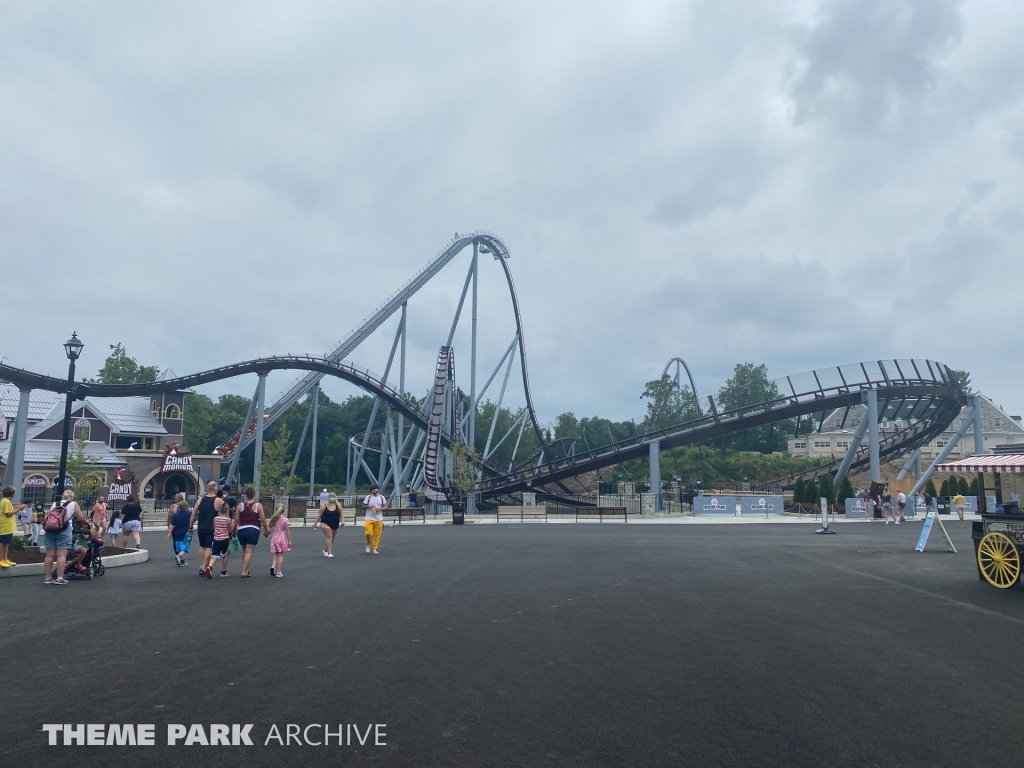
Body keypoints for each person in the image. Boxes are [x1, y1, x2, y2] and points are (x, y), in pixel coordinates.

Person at [42, 490, 89, 584]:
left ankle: (47, 578)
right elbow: (80, 517)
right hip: (64, 529)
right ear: (72, 497)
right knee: (61, 554)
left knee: (49, 555)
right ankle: (59, 578)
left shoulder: (55, 503)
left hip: (50, 529)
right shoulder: (73, 504)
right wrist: (87, 522)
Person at [190, 481, 223, 579]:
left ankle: (202, 566)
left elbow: (194, 513)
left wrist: (190, 525)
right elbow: (224, 514)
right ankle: (204, 567)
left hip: (201, 526)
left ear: (208, 488)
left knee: (202, 546)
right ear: (215, 488)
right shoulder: (218, 501)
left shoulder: (200, 500)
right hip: (211, 527)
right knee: (209, 547)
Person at [236, 486, 268, 578]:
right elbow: (263, 519)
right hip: (253, 529)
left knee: (244, 549)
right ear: (254, 494)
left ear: (245, 495)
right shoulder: (258, 506)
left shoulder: (240, 506)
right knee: (249, 551)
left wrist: (234, 530)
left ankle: (246, 569)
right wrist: (266, 529)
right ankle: (244, 571)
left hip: (241, 529)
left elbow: (236, 520)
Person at [1, 486, 30, 568]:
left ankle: (5, 559)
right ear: (12, 494)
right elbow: (7, 514)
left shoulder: (6, 501)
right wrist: (19, 509)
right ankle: (2, 560)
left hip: (7, 526)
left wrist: (16, 508)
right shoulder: (6, 502)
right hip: (5, 526)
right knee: (2, 543)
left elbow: (9, 511)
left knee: (6, 543)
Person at [312, 492, 344, 557]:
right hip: (325, 523)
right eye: (331, 497)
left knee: (332, 538)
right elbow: (319, 515)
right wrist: (315, 523)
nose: (332, 498)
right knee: (329, 536)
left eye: (333, 497)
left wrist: (343, 521)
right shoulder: (324, 506)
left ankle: (326, 550)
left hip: (335, 523)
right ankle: (329, 552)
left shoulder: (338, 506)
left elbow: (341, 513)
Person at [210, 501, 234, 577]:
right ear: (227, 510)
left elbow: (214, 528)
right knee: (225, 554)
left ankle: (209, 566)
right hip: (225, 539)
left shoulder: (215, 519)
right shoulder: (228, 520)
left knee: (214, 554)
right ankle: (223, 571)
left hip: (216, 538)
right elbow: (230, 530)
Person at [363, 484, 387, 555]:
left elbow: (385, 506)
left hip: (378, 518)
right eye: (372, 489)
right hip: (369, 517)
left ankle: (374, 548)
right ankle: (368, 544)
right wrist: (369, 506)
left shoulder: (382, 497)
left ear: (378, 489)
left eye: (375, 489)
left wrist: (380, 509)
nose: (374, 490)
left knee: (377, 534)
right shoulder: (368, 497)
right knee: (368, 532)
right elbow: (363, 506)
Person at [268, 504, 291, 577]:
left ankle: (273, 566)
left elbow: (270, 528)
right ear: (283, 511)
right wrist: (289, 540)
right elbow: (287, 531)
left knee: (276, 553)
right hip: (282, 537)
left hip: (275, 537)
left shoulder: (273, 519)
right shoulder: (285, 520)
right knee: (281, 554)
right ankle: (279, 572)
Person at [168, 500, 192, 566]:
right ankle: (179, 556)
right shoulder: (189, 514)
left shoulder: (176, 515)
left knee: (179, 547)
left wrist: (170, 533)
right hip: (186, 533)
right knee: (186, 547)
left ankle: (182, 561)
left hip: (178, 532)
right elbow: (192, 520)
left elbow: (172, 525)